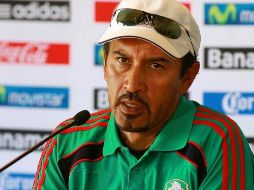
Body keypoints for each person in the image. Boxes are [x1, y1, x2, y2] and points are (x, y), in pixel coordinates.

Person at [33, 0, 254, 189]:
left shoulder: (217, 140)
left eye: (156, 65)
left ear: (187, 77)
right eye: (122, 60)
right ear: (104, 63)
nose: (132, 84)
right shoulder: (66, 142)